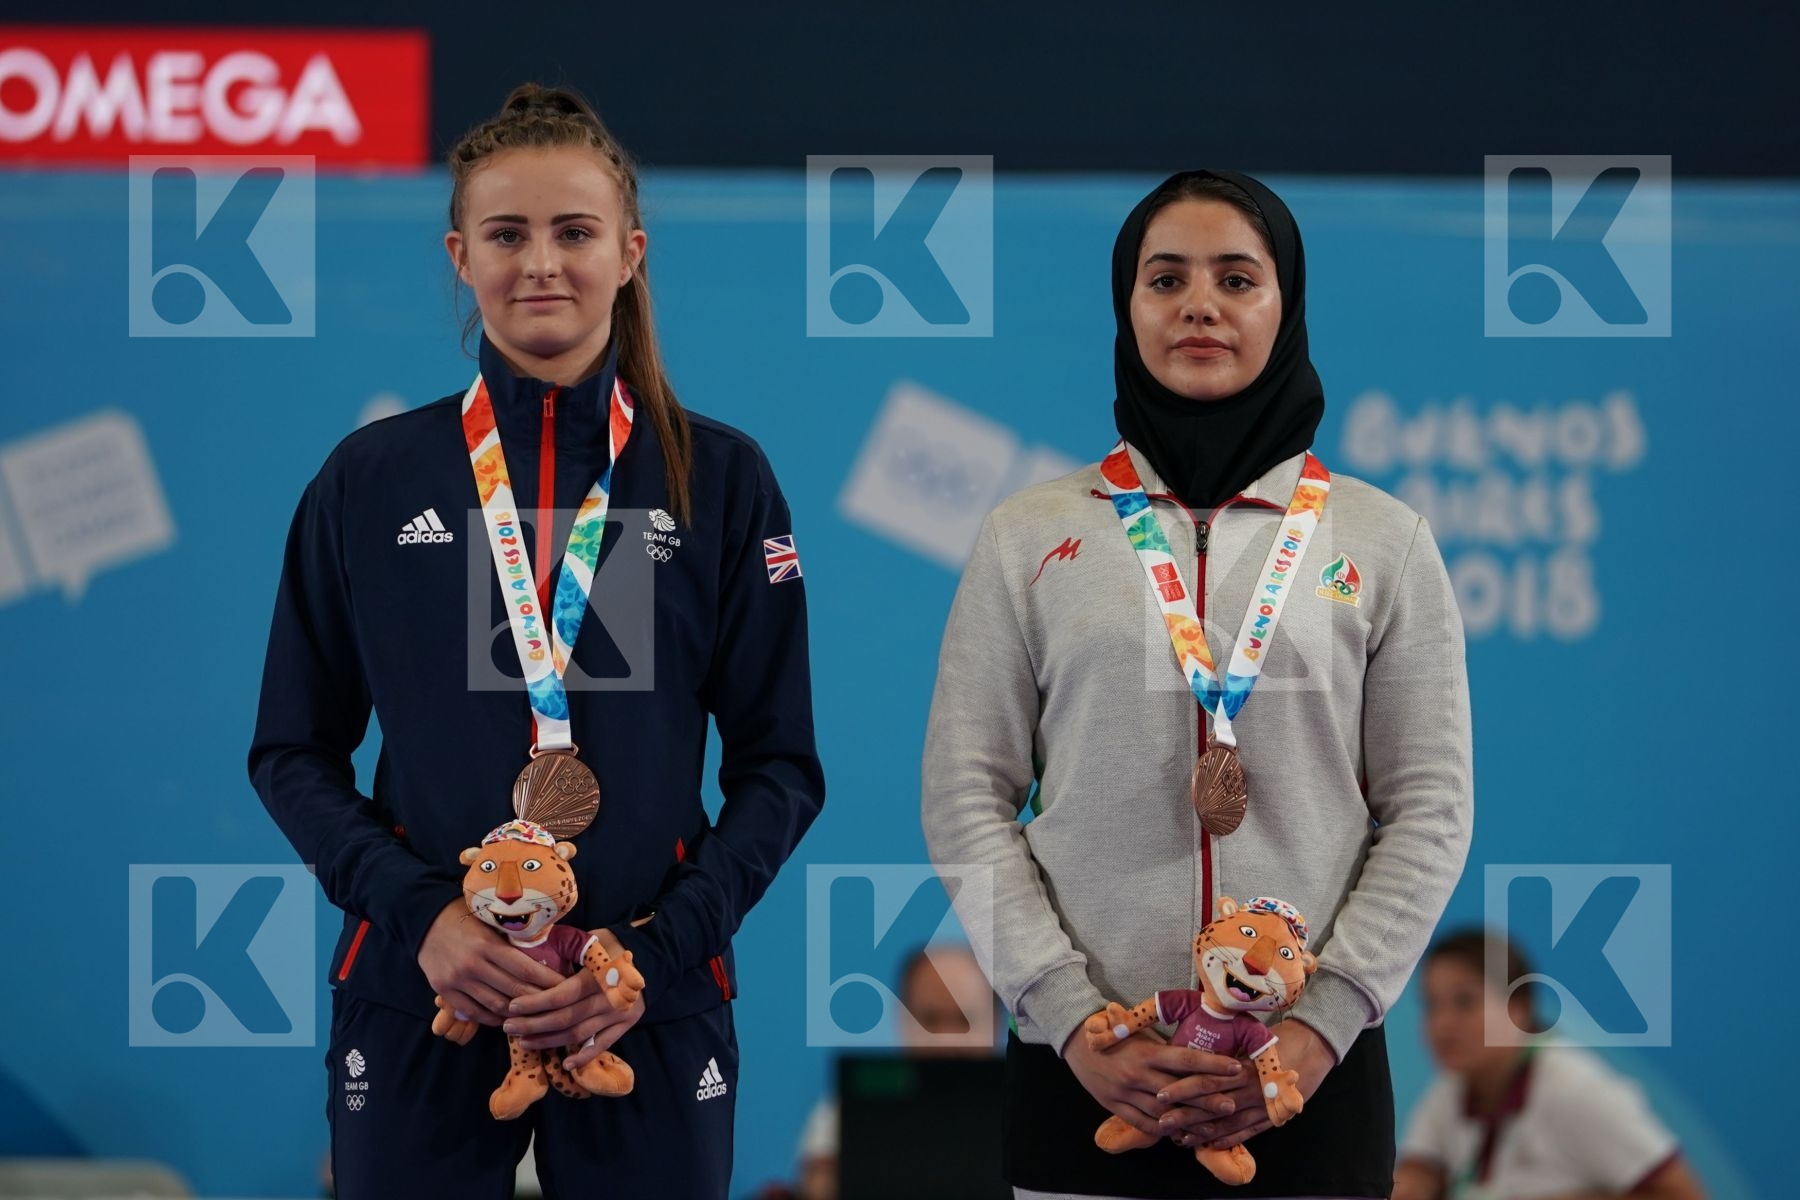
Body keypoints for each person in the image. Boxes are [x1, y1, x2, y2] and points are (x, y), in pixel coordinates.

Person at [250, 83, 824, 1200]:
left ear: (631, 252)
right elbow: (290, 752)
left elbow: (781, 769)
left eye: (576, 232)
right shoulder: (372, 478)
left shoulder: (722, 477)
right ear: (460, 256)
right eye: (508, 235)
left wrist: (648, 961)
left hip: (644, 1005)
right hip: (426, 992)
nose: (542, 263)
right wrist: (425, 920)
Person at [921, 169, 1474, 1199]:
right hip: (1086, 1078)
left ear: (1286, 303)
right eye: (1164, 279)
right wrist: (1072, 1023)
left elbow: (1430, 809)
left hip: (1312, 1086)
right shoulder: (1030, 533)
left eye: (1237, 278)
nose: (1200, 306)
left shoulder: (1384, 541)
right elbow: (965, 794)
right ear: (1127, 309)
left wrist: (1318, 1029)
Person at [1393, 931, 1705, 1200]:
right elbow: (1418, 1170)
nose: (1441, 1024)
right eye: (1431, 1004)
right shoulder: (1452, 1087)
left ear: (1520, 1008)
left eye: (1465, 1002)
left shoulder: (1578, 1093)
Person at [793, 943, 1004, 1200]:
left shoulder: (1030, 1117)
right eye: (930, 1020)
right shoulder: (840, 1117)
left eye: (963, 1020)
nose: (947, 1040)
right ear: (903, 1019)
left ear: (996, 1023)